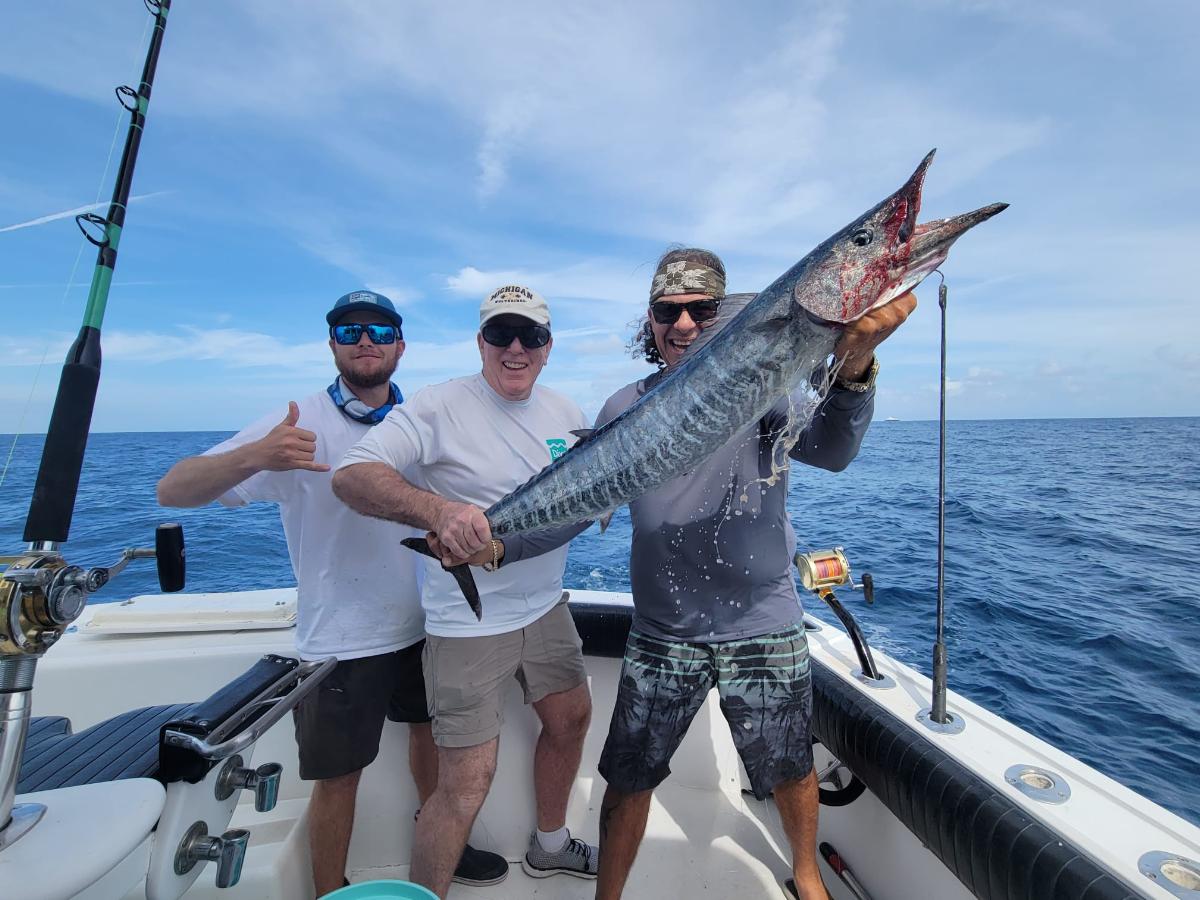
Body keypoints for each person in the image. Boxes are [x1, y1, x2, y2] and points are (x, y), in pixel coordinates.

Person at [455, 248, 915, 899]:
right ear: (651, 322)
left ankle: (808, 876)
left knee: (790, 765)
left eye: (702, 310)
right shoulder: (623, 405)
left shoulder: (767, 390)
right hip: (664, 629)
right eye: (668, 311)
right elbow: (573, 509)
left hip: (764, 618)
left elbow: (835, 451)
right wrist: (496, 546)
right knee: (629, 777)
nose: (683, 323)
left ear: (727, 317)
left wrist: (858, 367)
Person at [156, 290, 507, 897]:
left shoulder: (423, 417)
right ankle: (330, 889)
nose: (364, 340)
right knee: (338, 778)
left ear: (400, 344)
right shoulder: (296, 423)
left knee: (432, 746)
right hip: (340, 637)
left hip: (430, 623)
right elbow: (173, 489)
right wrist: (255, 456)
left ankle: (445, 847)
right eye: (349, 332)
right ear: (332, 346)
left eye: (378, 330)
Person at [330, 285, 600, 900]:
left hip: (547, 608)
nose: (515, 347)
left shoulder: (564, 411)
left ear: (548, 346)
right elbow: (352, 477)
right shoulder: (435, 407)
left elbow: (581, 505)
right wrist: (440, 511)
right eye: (500, 333)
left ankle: (550, 845)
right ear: (480, 342)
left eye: (531, 335)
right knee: (465, 784)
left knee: (572, 718)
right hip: (468, 627)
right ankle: (428, 893)